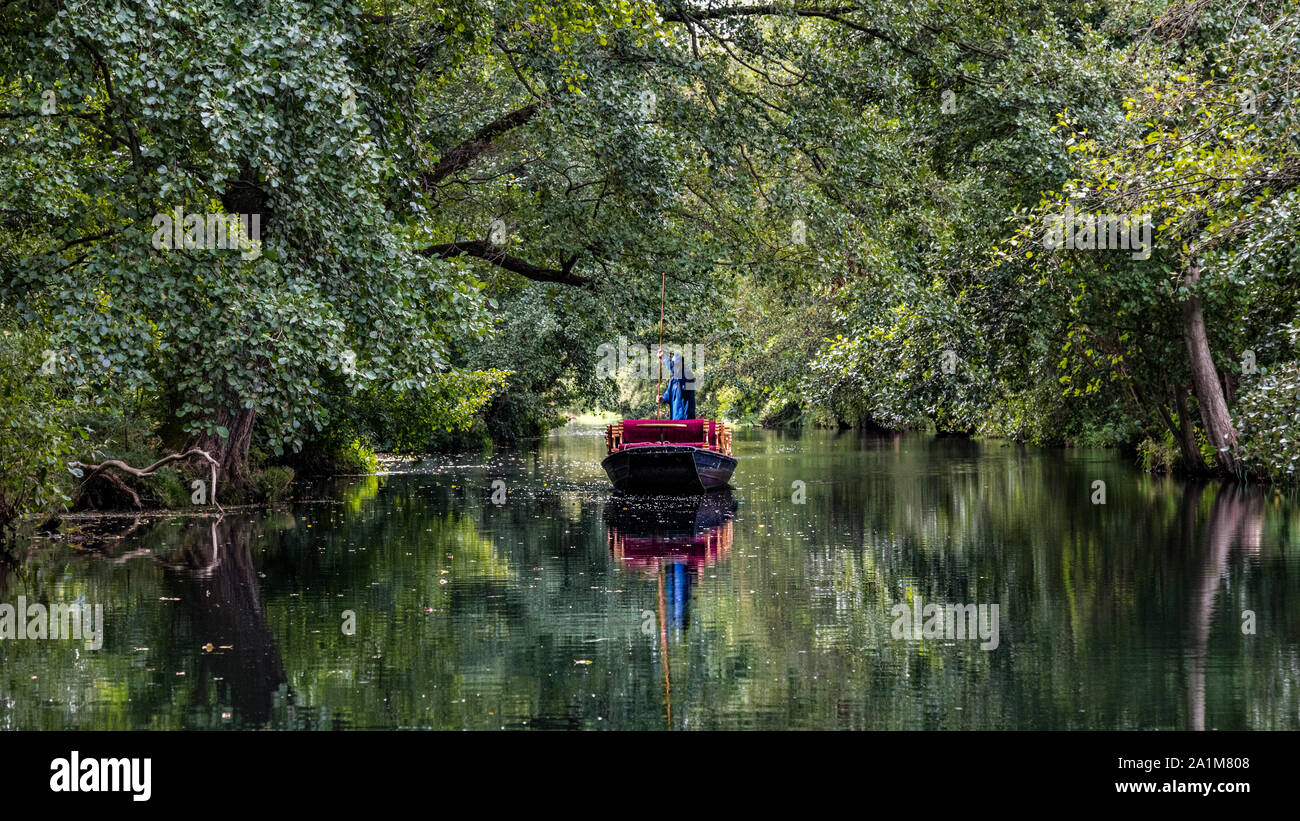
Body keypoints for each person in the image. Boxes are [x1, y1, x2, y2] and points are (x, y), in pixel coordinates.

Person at [656, 348, 696, 420]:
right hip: (674, 418)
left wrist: (664, 358)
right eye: (674, 365)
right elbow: (667, 396)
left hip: (686, 418)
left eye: (678, 365)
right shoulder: (673, 380)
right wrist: (661, 399)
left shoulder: (688, 376)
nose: (675, 367)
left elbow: (685, 390)